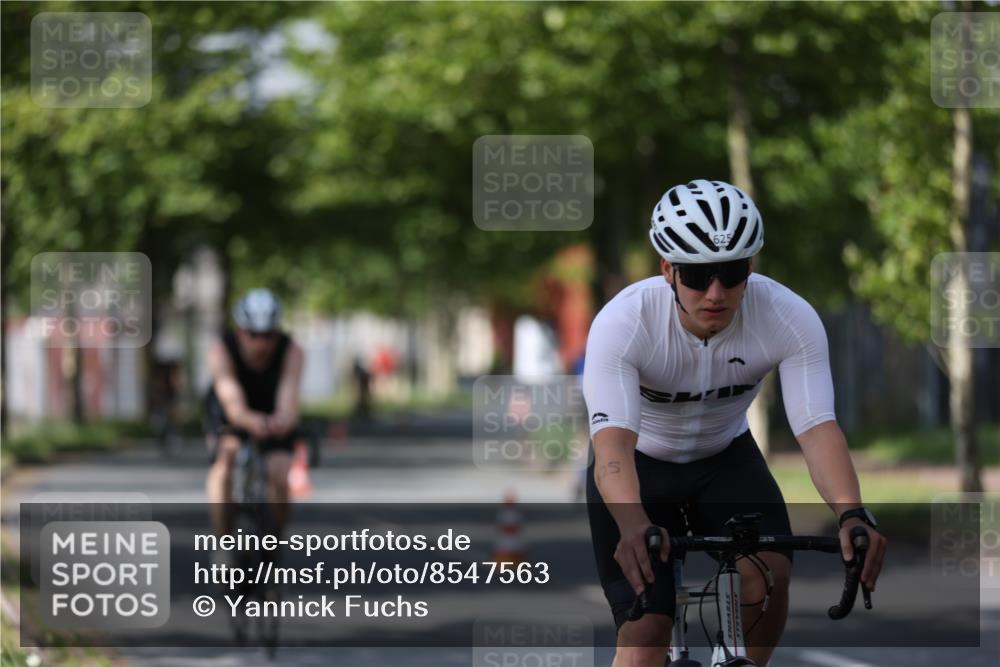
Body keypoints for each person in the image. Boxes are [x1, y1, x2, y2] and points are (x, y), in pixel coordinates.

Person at [584, 179, 887, 667]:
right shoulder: (624, 323)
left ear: (751, 266)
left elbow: (817, 428)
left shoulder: (788, 316)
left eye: (731, 272)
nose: (717, 293)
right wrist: (634, 523)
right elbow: (613, 449)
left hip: (725, 459)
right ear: (668, 270)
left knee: (769, 573)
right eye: (699, 277)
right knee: (646, 634)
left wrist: (852, 513)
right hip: (640, 470)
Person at [204, 288, 304, 538]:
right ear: (240, 332)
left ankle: (276, 536)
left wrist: (284, 417)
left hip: (271, 405)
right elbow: (230, 396)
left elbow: (288, 393)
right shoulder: (221, 350)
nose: (261, 343)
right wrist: (248, 420)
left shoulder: (291, 350)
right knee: (225, 459)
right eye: (253, 335)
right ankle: (223, 539)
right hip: (232, 409)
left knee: (279, 471)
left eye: (268, 335)